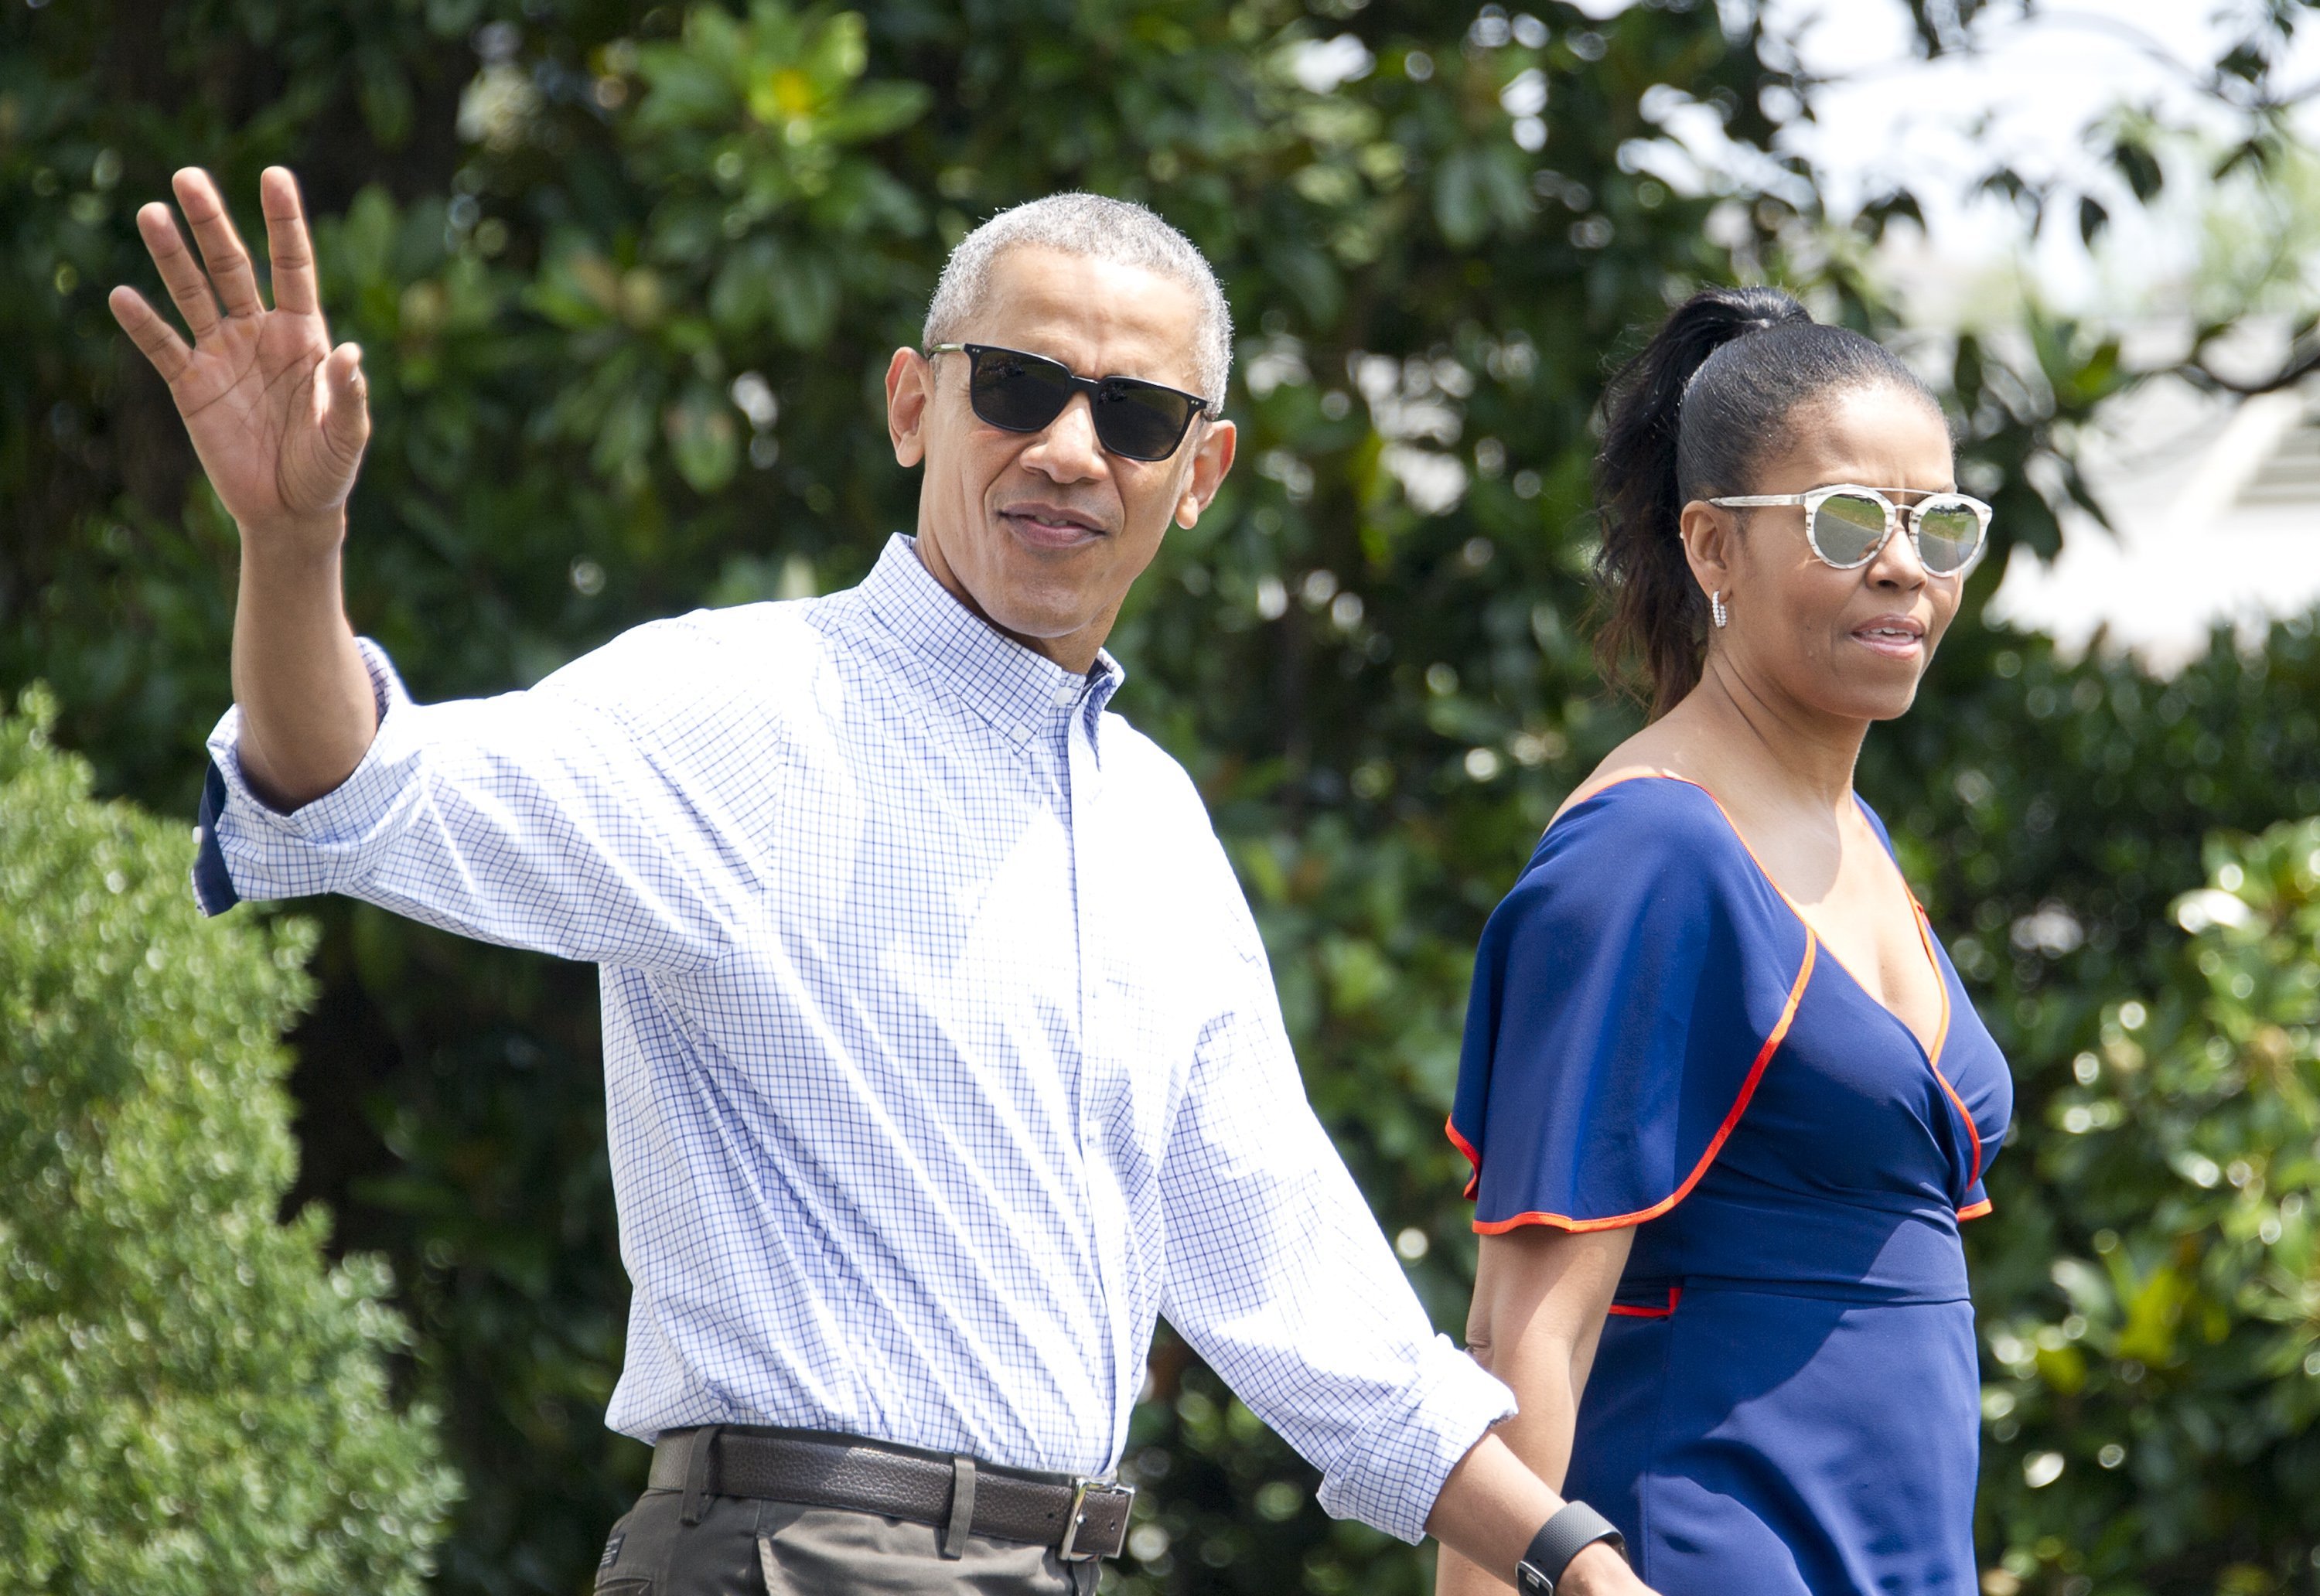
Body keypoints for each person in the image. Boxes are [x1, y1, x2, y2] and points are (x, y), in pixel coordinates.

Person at [109, 167, 1653, 1596]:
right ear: (915, 404)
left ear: (1201, 474)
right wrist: (293, 543)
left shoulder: (1154, 827)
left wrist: (1576, 1560)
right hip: (793, 1556)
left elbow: (1308, 1309)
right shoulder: (743, 710)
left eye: (1134, 415)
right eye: (1021, 388)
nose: (1067, 449)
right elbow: (360, 793)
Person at [1437, 287, 2015, 1596]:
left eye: (1943, 524)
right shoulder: (1651, 853)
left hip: (1901, 1551)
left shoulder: (1853, 828)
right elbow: (1523, 1330)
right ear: (1710, 549)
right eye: (1850, 519)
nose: (1906, 566)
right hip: (1707, 1540)